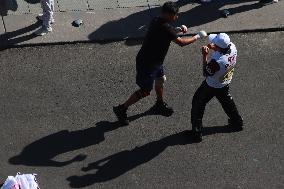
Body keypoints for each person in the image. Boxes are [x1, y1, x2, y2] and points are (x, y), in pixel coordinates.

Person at [113, 1, 207, 125]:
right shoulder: (166, 27)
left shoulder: (157, 20)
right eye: (176, 15)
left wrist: (177, 29)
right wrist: (197, 36)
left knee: (161, 80)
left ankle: (159, 103)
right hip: (147, 64)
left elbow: (167, 33)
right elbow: (181, 43)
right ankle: (121, 109)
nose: (177, 17)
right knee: (145, 91)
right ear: (168, 14)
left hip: (155, 62)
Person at [191, 33, 243, 142]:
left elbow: (206, 73)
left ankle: (196, 132)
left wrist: (204, 55)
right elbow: (222, 50)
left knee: (197, 102)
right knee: (226, 100)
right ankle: (237, 122)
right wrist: (213, 47)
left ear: (219, 47)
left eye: (215, 43)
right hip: (225, 81)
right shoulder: (232, 47)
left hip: (212, 85)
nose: (212, 44)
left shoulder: (217, 62)